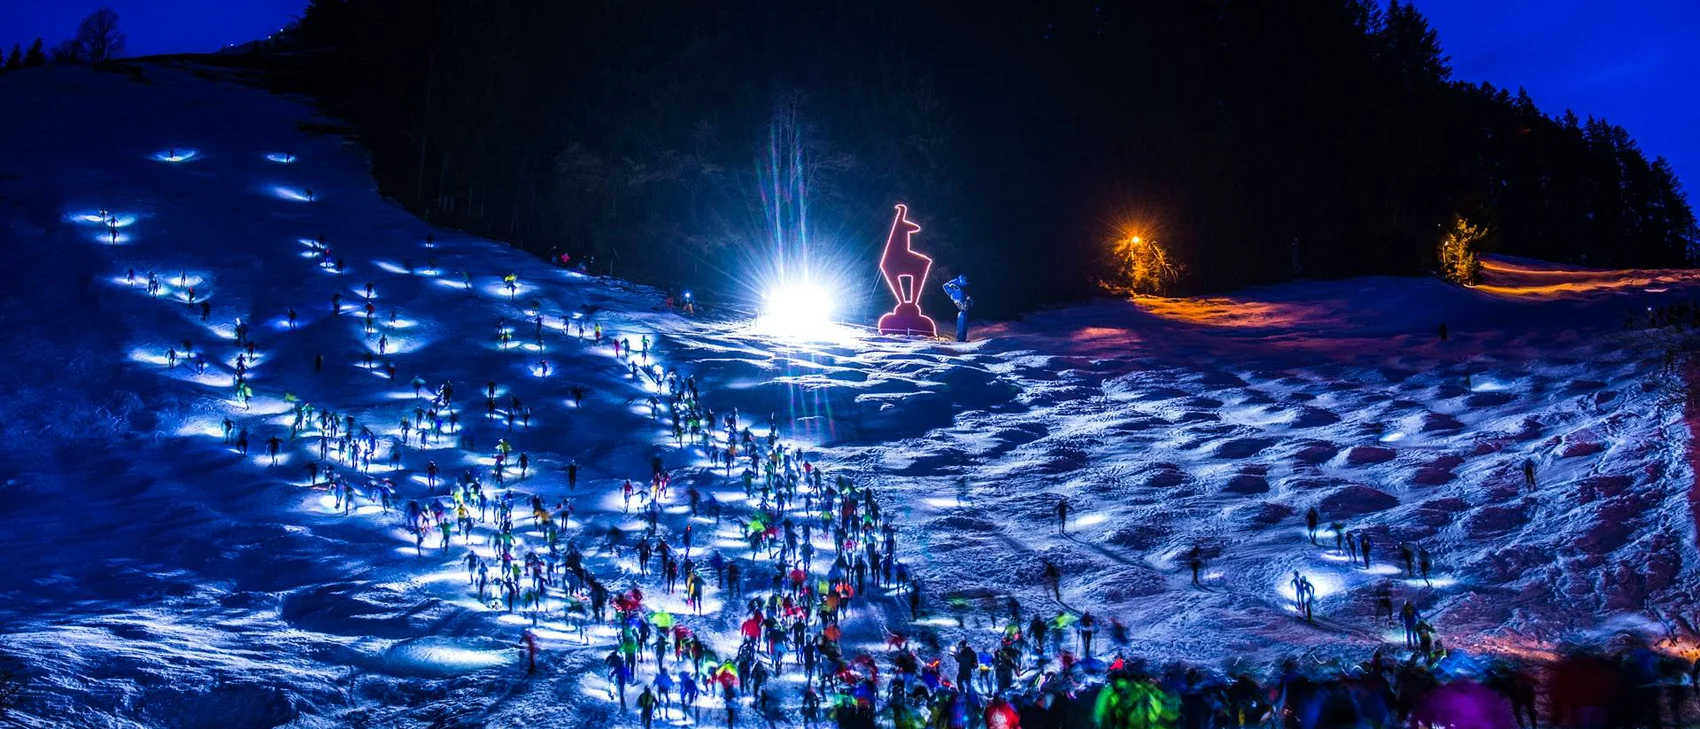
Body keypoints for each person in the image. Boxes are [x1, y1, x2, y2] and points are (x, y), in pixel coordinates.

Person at [943, 275, 973, 342]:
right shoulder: (957, 289)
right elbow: (945, 286)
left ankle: (961, 338)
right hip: (957, 295)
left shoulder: (960, 289)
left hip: (958, 295)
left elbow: (946, 286)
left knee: (964, 313)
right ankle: (960, 338)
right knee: (963, 312)